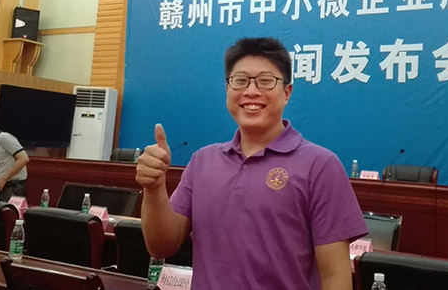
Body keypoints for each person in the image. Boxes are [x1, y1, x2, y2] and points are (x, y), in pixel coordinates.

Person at [136, 37, 368, 289]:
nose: (251, 91)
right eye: (240, 80)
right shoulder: (202, 161)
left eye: (266, 81)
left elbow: (335, 276)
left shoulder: (320, 166)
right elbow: (161, 246)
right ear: (227, 89)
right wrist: (154, 188)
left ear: (287, 92)